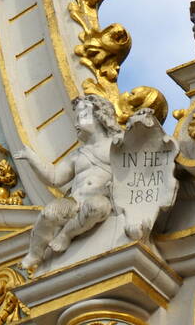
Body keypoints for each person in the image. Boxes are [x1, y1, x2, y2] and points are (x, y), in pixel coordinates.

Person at [15, 94, 120, 271]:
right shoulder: (78, 154)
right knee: (48, 214)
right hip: (74, 201)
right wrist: (32, 158)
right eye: (76, 118)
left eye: (81, 116)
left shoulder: (117, 144)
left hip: (100, 198)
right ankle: (35, 252)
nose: (76, 123)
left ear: (99, 115)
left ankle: (66, 234)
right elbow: (55, 178)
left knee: (97, 207)